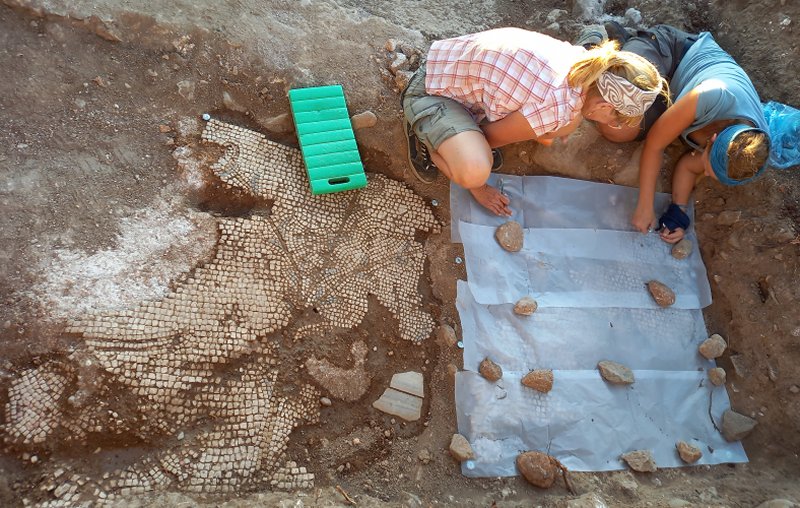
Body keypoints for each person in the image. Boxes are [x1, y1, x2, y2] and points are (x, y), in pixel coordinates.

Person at [401, 27, 669, 216]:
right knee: (477, 168)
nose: (615, 126)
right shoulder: (557, 106)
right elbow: (490, 137)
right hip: (431, 92)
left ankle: (452, 136)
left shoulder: (584, 62)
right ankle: (427, 135)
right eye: (617, 120)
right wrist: (479, 188)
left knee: (560, 126)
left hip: (448, 64)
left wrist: (542, 129)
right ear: (601, 105)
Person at [626, 29, 771, 243]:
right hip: (673, 55)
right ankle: (601, 40)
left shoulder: (753, 154)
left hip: (676, 94)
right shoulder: (712, 95)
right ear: (712, 139)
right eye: (708, 169)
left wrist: (678, 212)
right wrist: (645, 206)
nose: (705, 174)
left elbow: (688, 166)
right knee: (623, 128)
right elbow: (655, 145)